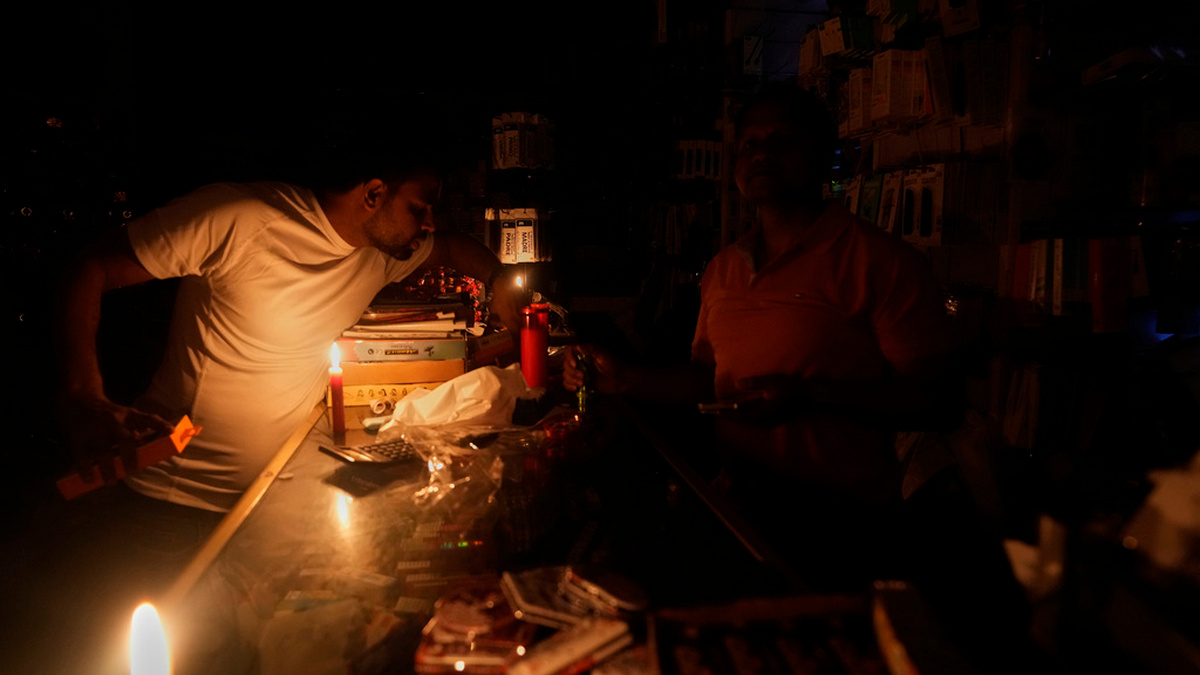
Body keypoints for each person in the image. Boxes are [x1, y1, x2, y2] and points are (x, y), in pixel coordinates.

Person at [3, 128, 522, 675]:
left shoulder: (379, 251)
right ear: (372, 193)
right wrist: (83, 394)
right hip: (172, 504)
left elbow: (453, 246)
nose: (429, 222)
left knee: (241, 657)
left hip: (266, 507)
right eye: (421, 206)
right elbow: (91, 268)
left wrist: (501, 281)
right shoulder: (239, 216)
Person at [564, 82, 1034, 669]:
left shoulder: (880, 262)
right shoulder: (724, 268)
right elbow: (709, 377)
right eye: (749, 145)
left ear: (820, 157)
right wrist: (625, 380)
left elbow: (935, 402)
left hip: (839, 520)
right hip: (739, 506)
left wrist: (810, 396)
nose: (762, 155)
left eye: (782, 141)